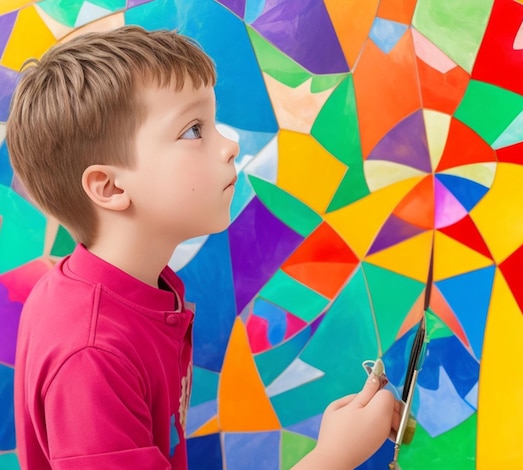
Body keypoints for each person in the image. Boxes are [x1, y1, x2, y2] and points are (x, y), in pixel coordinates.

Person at [7, 25, 398, 469]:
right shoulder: (92, 355)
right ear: (111, 186)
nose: (231, 145)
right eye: (194, 130)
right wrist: (333, 457)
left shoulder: (136, 288)